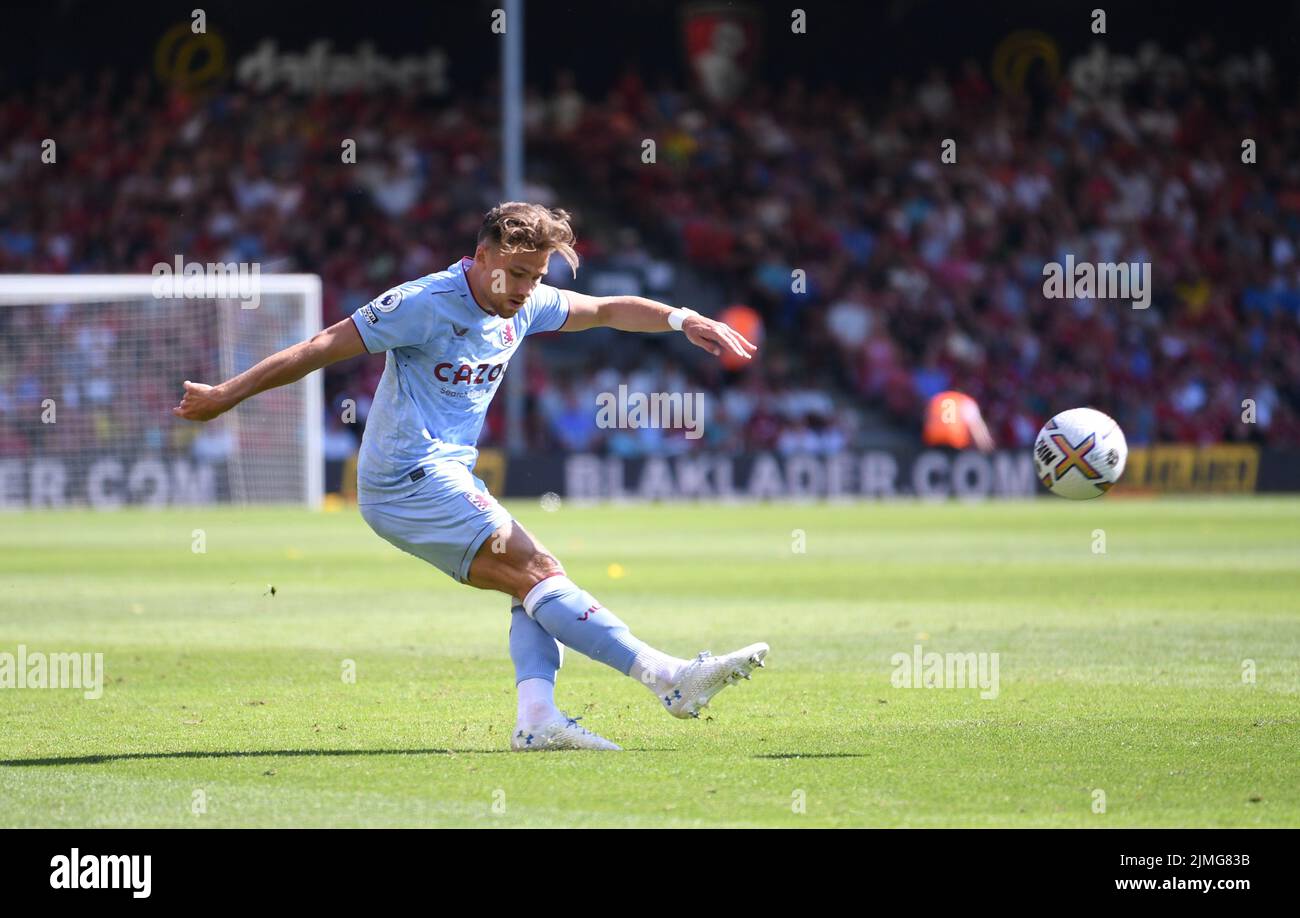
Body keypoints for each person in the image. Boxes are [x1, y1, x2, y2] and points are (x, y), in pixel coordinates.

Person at [172, 202, 769, 751]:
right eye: (515, 272)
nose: (525, 288)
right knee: (537, 571)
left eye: (536, 275)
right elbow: (321, 345)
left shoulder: (527, 301)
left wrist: (682, 317)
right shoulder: (423, 303)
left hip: (443, 475)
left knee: (535, 584)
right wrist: (227, 395)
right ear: (481, 256)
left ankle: (537, 719)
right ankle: (667, 677)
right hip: (406, 477)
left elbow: (606, 310)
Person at [922, 390, 994, 452]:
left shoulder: (936, 399)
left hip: (934, 443)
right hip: (956, 442)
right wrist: (986, 448)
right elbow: (976, 427)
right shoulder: (965, 401)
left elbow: (926, 420)